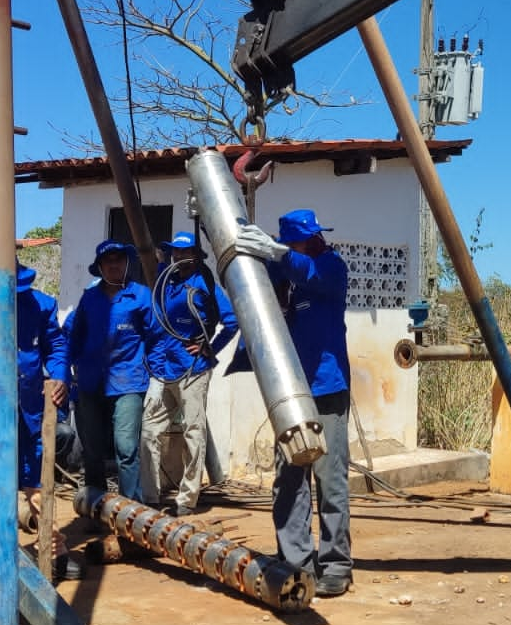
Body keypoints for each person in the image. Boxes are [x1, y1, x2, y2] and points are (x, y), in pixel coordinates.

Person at [234, 209, 353, 597]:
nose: (311, 241)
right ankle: (296, 560)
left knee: (329, 478)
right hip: (287, 391)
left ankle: (335, 563)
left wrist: (279, 255)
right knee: (289, 480)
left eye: (311, 236)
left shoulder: (330, 266)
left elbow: (311, 274)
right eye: (302, 238)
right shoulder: (279, 275)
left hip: (326, 389)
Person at [142, 232, 237, 516]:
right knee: (149, 431)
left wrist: (209, 348)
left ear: (195, 256)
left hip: (192, 370)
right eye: (175, 253)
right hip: (163, 368)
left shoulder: (205, 284)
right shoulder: (165, 282)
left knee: (193, 432)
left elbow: (231, 322)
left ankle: (187, 499)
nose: (179, 258)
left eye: (184, 253)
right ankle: (150, 495)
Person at [66, 239, 158, 504]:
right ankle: (97, 507)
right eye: (109, 261)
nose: (114, 264)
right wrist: (64, 373)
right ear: (100, 267)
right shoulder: (89, 298)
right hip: (90, 382)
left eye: (119, 259)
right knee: (92, 450)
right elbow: (74, 334)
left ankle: (131, 512)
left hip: (129, 382)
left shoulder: (140, 296)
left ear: (126, 264)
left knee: (126, 449)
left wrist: (157, 374)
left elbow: (156, 338)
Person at [15, 261, 69, 523]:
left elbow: (56, 346)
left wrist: (60, 377)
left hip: (30, 400)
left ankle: (46, 539)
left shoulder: (41, 305)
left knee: (35, 464)